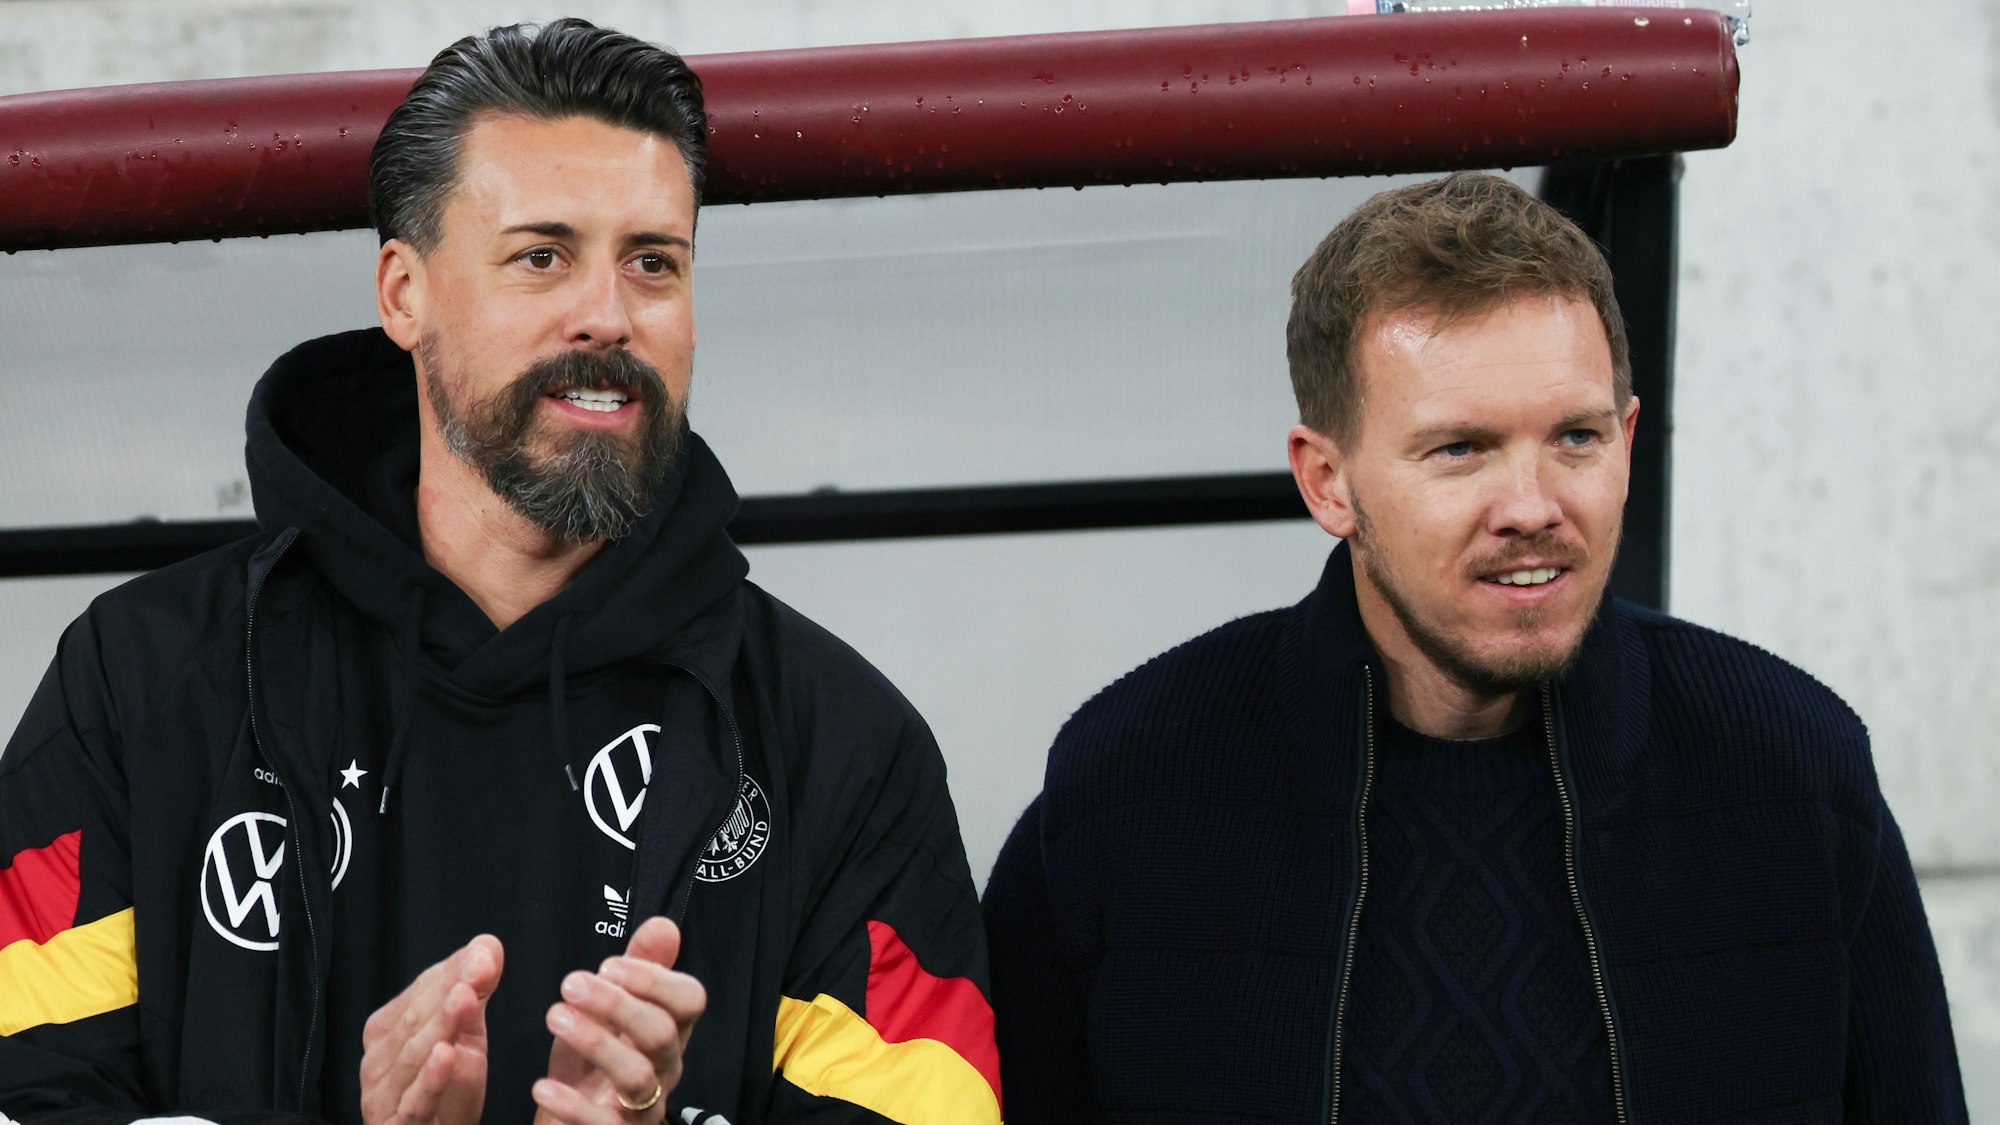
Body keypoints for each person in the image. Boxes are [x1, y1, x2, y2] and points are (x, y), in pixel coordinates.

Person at [0, 19, 1000, 1125]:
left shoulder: (840, 742)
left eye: (653, 263)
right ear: (403, 295)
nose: (607, 317)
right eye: (542, 255)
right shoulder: (143, 681)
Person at [983, 172, 1967, 1123]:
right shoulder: (1127, 795)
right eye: (1459, 449)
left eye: (1574, 439)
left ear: (1627, 440)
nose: (1532, 507)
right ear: (1326, 481)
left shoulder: (1791, 771)